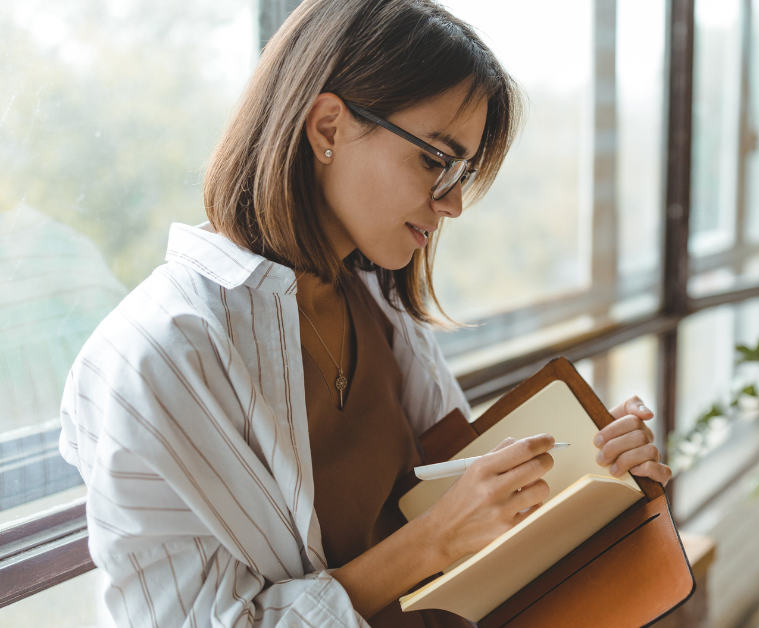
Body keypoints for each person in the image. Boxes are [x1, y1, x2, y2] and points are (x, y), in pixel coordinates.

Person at [57, 1, 672, 626]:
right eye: (435, 161)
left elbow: (457, 491)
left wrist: (590, 469)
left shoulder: (376, 300)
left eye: (461, 171)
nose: (454, 202)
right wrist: (430, 542)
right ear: (328, 128)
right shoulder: (157, 356)